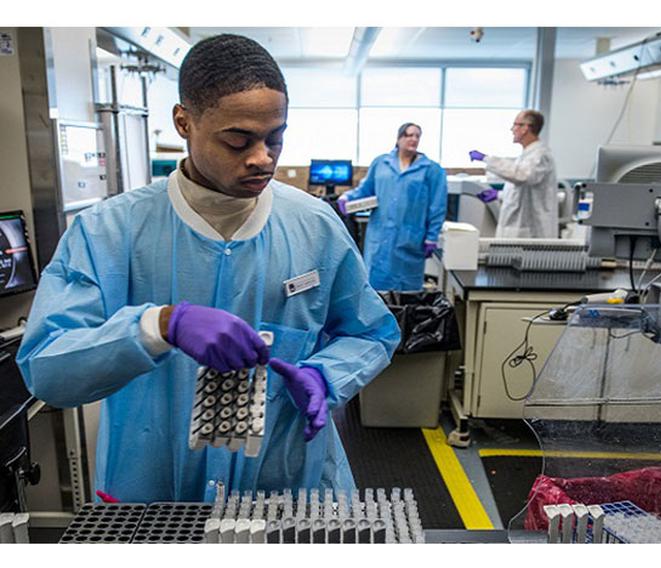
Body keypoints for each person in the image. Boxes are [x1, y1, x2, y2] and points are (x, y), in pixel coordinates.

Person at [16, 34, 400, 503]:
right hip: (151, 495)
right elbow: (48, 370)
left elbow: (372, 332)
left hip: (286, 487)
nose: (262, 158)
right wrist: (156, 326)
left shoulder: (315, 227)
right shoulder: (109, 232)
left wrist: (325, 375)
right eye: (238, 140)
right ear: (184, 121)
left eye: (274, 138)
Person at [338, 123, 447, 291]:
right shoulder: (381, 163)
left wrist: (432, 237)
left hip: (411, 239)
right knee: (376, 293)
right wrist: (347, 197)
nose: (414, 139)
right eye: (409, 135)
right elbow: (365, 189)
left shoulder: (432, 169)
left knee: (407, 296)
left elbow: (437, 206)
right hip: (381, 239)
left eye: (417, 136)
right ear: (399, 138)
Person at [470, 109, 558, 238]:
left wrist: (486, 159)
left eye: (515, 124)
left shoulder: (540, 155)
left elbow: (522, 176)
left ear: (525, 128)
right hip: (519, 229)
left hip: (531, 231)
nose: (512, 129)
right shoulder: (527, 156)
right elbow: (521, 191)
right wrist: (499, 195)